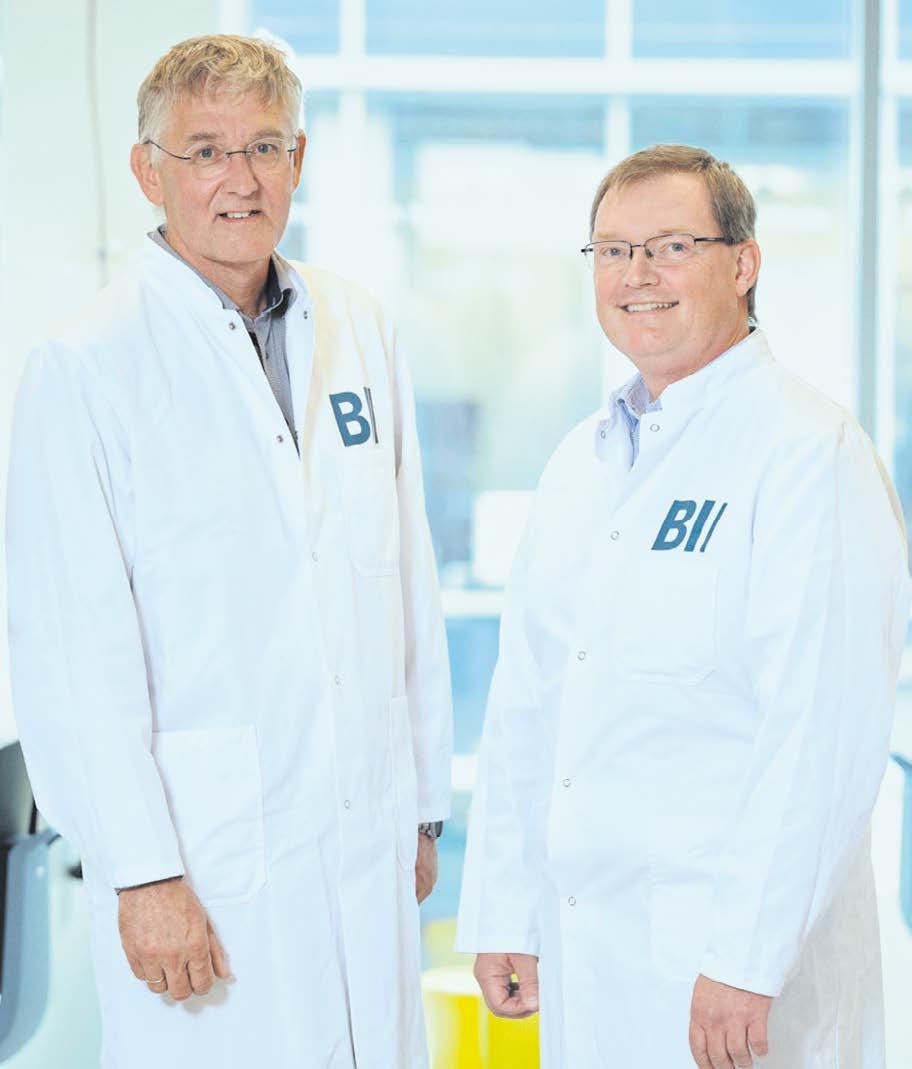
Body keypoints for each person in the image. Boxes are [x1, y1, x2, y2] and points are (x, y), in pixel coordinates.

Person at [6, 34, 452, 1069]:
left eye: (264, 146)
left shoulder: (359, 326)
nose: (239, 179)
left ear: (299, 160)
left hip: (366, 831)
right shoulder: (88, 365)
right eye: (205, 150)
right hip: (206, 860)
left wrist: (423, 806)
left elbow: (407, 579)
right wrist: (142, 871)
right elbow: (73, 652)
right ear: (147, 170)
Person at [455, 144, 910, 1068]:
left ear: (743, 264)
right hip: (591, 952)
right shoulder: (579, 461)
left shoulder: (807, 451)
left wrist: (747, 957)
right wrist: (506, 905)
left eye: (670, 246)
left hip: (736, 970)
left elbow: (820, 735)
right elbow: (529, 700)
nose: (636, 275)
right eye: (613, 251)